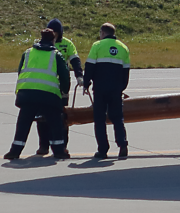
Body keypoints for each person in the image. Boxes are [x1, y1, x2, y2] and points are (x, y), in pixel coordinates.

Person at [5, 27, 70, 160]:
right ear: (53, 39)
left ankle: (15, 151)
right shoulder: (56, 55)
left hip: (27, 94)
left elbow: (20, 71)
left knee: (23, 123)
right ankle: (58, 151)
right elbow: (65, 76)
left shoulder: (28, 52)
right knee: (55, 123)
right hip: (49, 95)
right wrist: (64, 90)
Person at [83, 22, 131, 159]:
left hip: (100, 89)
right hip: (116, 89)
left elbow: (90, 66)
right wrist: (121, 87)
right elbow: (126, 71)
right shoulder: (123, 48)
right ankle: (123, 144)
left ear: (102, 33)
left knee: (99, 119)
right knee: (117, 118)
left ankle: (103, 150)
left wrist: (86, 83)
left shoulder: (97, 46)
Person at [36, 19, 83, 157]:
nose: (54, 35)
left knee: (62, 117)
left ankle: (62, 145)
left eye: (55, 32)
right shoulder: (41, 44)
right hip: (45, 86)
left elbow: (75, 60)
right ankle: (43, 145)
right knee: (42, 117)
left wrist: (79, 76)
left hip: (61, 86)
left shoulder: (67, 44)